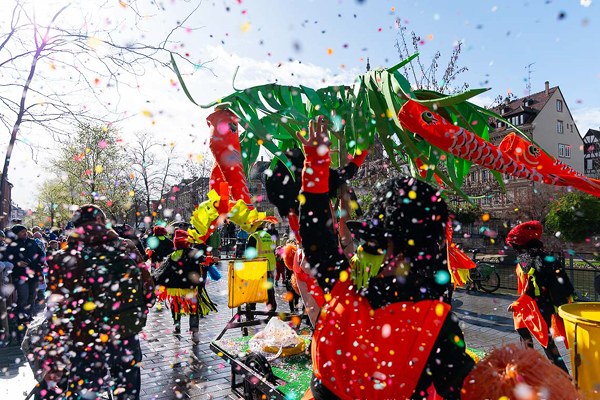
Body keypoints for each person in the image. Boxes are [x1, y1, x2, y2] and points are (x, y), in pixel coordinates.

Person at [297, 116, 474, 399]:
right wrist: (316, 168)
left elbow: (463, 390)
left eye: (379, 244)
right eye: (372, 242)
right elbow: (317, 239)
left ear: (408, 253)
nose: (368, 251)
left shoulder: (434, 324)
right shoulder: (349, 286)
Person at [40, 204, 155, 399]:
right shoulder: (126, 249)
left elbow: (55, 310)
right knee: (127, 390)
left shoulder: (62, 258)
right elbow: (149, 292)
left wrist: (54, 353)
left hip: (83, 339)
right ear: (102, 222)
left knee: (86, 391)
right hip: (124, 335)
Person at [505, 220, 572, 373]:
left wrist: (518, 303)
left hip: (537, 305)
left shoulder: (531, 260)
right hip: (532, 305)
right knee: (523, 331)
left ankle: (564, 377)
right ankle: (527, 365)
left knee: (546, 342)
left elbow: (536, 286)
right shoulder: (538, 258)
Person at [154, 229, 217, 343]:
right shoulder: (192, 252)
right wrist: (211, 260)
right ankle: (194, 332)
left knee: (176, 307)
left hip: (175, 289)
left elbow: (162, 271)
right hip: (189, 288)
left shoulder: (172, 255)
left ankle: (177, 326)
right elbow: (204, 259)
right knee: (193, 309)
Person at [4, 224, 45, 329]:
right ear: (16, 233)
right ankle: (20, 320)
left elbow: (41, 255)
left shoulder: (32, 242)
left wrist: (41, 262)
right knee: (23, 297)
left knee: (32, 297)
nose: (25, 233)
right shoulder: (11, 244)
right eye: (22, 231)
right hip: (20, 274)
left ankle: (29, 319)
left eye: (25, 231)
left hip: (34, 273)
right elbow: (7, 259)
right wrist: (17, 262)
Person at [246, 223, 277, 311]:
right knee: (269, 288)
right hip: (270, 266)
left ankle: (251, 308)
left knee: (254, 288)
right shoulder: (269, 236)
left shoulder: (254, 236)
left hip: (258, 267)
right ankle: (272, 307)